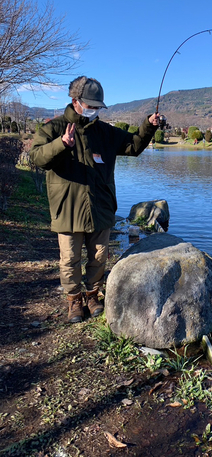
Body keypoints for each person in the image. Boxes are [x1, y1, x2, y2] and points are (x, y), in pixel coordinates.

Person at [30, 76, 159, 323]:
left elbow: (133, 146)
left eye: (97, 106)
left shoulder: (105, 132)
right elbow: (37, 158)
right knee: (69, 259)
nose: (94, 110)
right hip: (68, 208)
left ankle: (92, 295)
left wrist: (148, 126)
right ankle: (74, 301)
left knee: (99, 256)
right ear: (74, 101)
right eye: (90, 105)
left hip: (101, 207)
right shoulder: (53, 129)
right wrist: (61, 144)